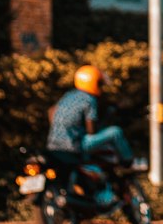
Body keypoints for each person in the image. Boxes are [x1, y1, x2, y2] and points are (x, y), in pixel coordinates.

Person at [48, 65, 138, 204]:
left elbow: (51, 111)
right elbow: (92, 131)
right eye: (99, 84)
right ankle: (128, 161)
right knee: (115, 132)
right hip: (75, 145)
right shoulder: (89, 99)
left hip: (54, 144)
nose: (101, 88)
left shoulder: (68, 96)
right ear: (92, 83)